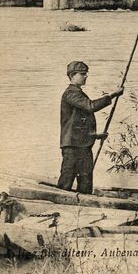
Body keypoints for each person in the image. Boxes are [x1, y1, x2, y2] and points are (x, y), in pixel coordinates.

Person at [57, 61, 123, 194]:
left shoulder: (78, 94)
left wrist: (95, 135)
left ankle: (85, 207)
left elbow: (80, 124)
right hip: (72, 146)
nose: (86, 76)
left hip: (83, 145)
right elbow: (90, 106)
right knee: (66, 181)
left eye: (86, 74)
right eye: (82, 74)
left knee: (86, 183)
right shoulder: (70, 93)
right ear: (72, 76)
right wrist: (112, 95)